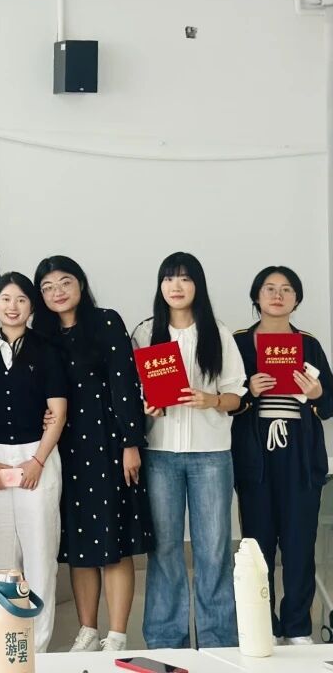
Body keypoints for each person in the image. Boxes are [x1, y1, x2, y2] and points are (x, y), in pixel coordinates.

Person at [32, 256, 150, 654]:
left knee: (113, 541)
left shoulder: (106, 322)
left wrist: (131, 443)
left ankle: (116, 634)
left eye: (65, 282)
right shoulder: (42, 336)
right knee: (80, 545)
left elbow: (124, 382)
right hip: (64, 448)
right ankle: (87, 631)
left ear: (81, 284)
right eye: (47, 287)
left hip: (108, 443)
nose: (57, 292)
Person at [131, 252, 245, 649]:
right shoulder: (145, 333)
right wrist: (146, 406)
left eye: (184, 278)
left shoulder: (218, 333)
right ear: (160, 286)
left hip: (211, 455)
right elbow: (132, 393)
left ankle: (219, 642)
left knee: (214, 550)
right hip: (159, 455)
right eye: (168, 279)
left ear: (198, 285)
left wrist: (211, 400)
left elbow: (237, 395)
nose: (175, 286)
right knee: (164, 550)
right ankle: (166, 640)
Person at [230, 265, 332, 645]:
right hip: (254, 455)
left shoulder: (308, 343)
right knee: (257, 544)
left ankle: (297, 627)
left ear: (296, 299)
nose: (277, 295)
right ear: (256, 297)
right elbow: (224, 399)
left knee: (299, 541)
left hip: (300, 454)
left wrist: (317, 394)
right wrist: (248, 390)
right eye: (269, 288)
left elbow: (329, 404)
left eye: (286, 289)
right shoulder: (239, 343)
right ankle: (264, 627)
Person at [0, 271, 68, 653]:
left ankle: (36, 647)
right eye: (6, 299)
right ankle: (2, 644)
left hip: (36, 456)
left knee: (39, 554)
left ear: (31, 307)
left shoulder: (47, 352)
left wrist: (37, 461)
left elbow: (58, 411)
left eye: (21, 299)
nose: (13, 307)